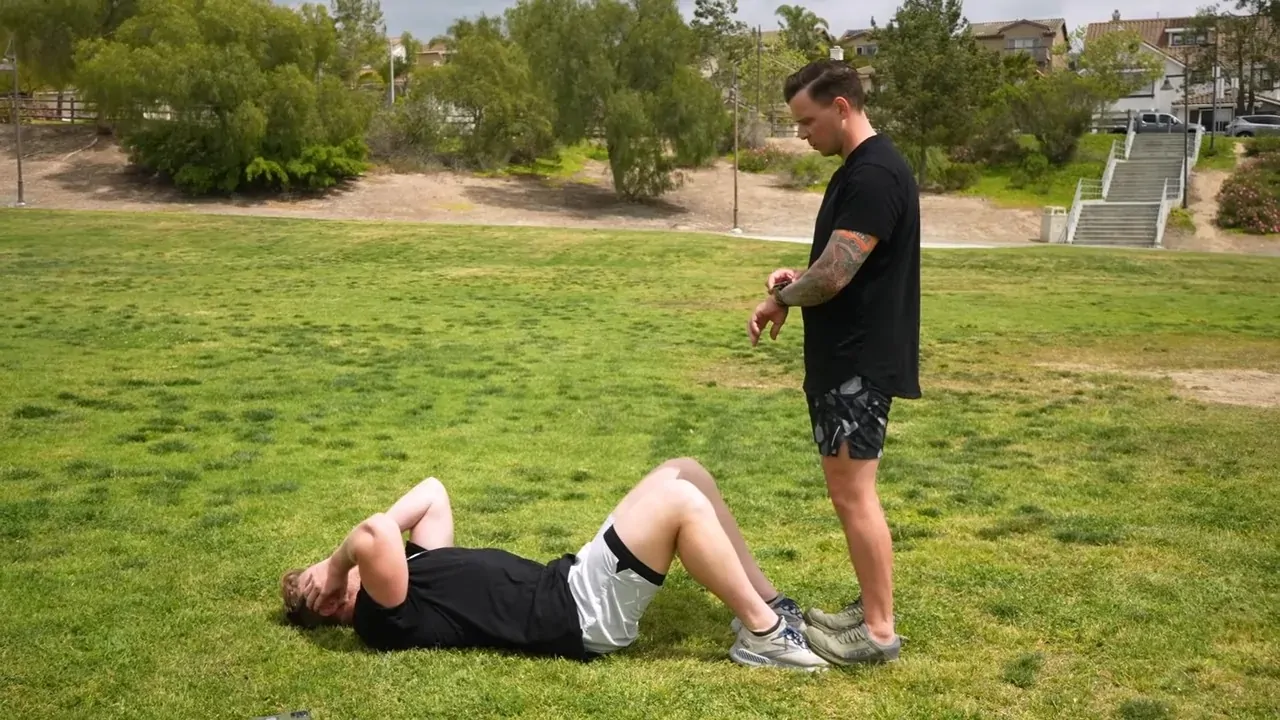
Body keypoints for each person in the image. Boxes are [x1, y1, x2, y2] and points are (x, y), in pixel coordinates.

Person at [279, 458, 828, 671]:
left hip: (571, 580)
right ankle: (766, 633)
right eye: (321, 577)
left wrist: (334, 566)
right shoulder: (382, 614)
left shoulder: (412, 566)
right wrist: (333, 565)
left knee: (683, 472)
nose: (332, 563)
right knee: (680, 504)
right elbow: (374, 532)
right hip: (580, 615)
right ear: (331, 599)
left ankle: (773, 604)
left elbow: (432, 491)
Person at [746, 59, 921, 666]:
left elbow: (836, 275)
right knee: (851, 493)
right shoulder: (860, 172)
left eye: (807, 120)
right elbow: (835, 268)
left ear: (841, 107)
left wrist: (780, 298)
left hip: (858, 362)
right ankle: (871, 610)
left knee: (855, 496)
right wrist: (799, 278)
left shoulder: (874, 176)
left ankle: (877, 631)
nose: (801, 134)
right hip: (846, 358)